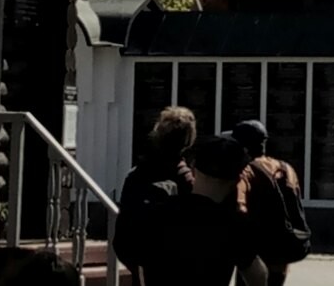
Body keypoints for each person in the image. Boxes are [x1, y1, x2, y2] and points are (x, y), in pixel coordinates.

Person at [132, 134, 268, 286]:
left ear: (193, 166)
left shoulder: (156, 213)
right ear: (237, 179)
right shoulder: (233, 225)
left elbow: (141, 267)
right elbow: (258, 276)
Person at [113, 106, 196, 284]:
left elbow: (121, 238)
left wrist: (139, 267)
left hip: (144, 271)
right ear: (188, 141)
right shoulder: (188, 182)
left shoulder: (136, 176)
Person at [230, 119, 310, 286]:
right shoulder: (286, 168)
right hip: (283, 251)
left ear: (242, 147)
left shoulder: (247, 171)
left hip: (257, 256)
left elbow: (239, 208)